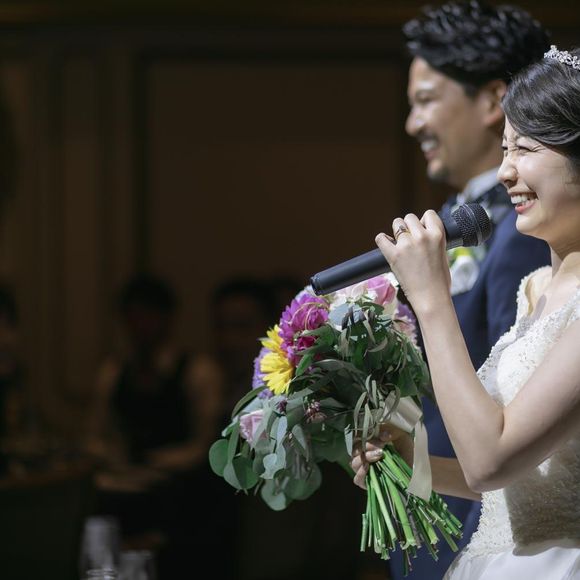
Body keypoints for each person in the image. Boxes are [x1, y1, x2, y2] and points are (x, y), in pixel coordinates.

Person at [354, 45, 580, 578]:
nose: (505, 171)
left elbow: (489, 461)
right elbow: (512, 481)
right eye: (504, 148)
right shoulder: (535, 288)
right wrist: (414, 464)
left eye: (525, 148)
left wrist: (431, 299)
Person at [392, 2, 551, 576]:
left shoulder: (530, 238)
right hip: (440, 508)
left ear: (492, 101)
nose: (413, 124)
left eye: (426, 100)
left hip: (483, 532)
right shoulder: (459, 222)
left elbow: (515, 420)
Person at [86, 273, 226, 576]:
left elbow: (206, 443)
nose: (141, 326)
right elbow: (98, 432)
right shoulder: (114, 371)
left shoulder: (197, 371)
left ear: (167, 318)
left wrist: (159, 461)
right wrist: (113, 459)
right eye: (133, 317)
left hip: (178, 491)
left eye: (148, 316)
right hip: (123, 484)